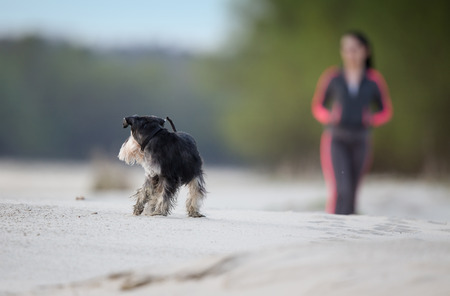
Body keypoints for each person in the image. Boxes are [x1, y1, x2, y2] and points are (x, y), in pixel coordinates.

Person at [311, 31, 393, 215]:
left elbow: (386, 110)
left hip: (361, 140)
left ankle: (348, 234)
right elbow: (318, 106)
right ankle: (333, 228)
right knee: (342, 189)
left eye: (354, 49)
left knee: (353, 192)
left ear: (366, 51)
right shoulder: (333, 77)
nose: (350, 53)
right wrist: (329, 116)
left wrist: (371, 118)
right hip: (336, 139)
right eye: (346, 49)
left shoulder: (374, 80)